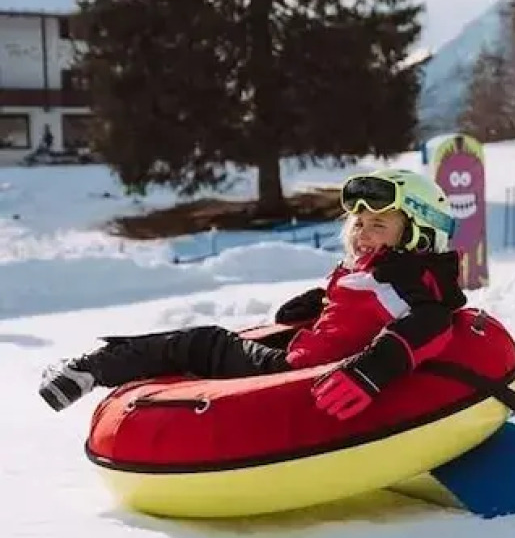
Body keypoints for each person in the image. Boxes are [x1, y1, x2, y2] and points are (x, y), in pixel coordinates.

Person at [38, 169, 466, 419]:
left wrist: (372, 371)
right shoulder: (388, 272)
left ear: (418, 231)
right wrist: (319, 301)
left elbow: (432, 320)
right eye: (358, 223)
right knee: (227, 343)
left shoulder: (410, 276)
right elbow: (370, 306)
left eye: (379, 225)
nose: (363, 234)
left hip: (299, 375)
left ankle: (92, 367)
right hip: (307, 361)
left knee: (201, 343)